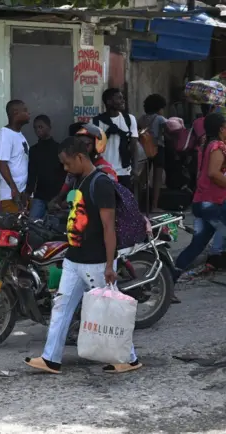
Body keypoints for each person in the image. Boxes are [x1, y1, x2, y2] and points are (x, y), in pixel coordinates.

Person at [24, 134, 142, 374]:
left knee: (108, 312)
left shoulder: (101, 183)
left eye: (68, 163)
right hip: (74, 258)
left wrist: (110, 265)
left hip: (96, 262)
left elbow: (109, 228)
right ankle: (51, 358)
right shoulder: (79, 181)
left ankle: (128, 358)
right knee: (61, 306)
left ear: (80, 157)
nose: (66, 168)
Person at [174, 113, 226, 281]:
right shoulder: (217, 146)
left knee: (196, 246)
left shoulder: (206, 144)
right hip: (212, 203)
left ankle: (168, 280)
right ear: (221, 129)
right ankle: (215, 260)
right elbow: (213, 173)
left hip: (202, 202)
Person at [48, 123, 117, 211]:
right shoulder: (76, 167)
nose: (81, 149)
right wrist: (57, 201)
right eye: (79, 145)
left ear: (97, 146)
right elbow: (68, 188)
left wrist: (64, 204)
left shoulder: (106, 171)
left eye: (86, 145)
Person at [93, 88, 140, 190]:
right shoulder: (96, 122)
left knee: (124, 204)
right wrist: (108, 133)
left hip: (124, 171)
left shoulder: (129, 119)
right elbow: (93, 148)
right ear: (109, 102)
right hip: (103, 170)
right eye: (119, 98)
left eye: (122, 98)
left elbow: (133, 145)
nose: (123, 101)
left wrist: (135, 169)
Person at [26, 115, 65, 219]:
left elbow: (66, 172)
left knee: (55, 226)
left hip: (56, 196)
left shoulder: (59, 148)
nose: (38, 130)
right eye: (35, 128)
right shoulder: (34, 150)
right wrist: (28, 192)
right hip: (40, 196)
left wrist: (62, 196)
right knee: (32, 225)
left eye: (41, 127)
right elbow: (32, 173)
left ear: (49, 127)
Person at [0, 100, 30, 212]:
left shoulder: (19, 134)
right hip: (11, 196)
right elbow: (1, 164)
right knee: (14, 228)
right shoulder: (5, 134)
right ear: (15, 112)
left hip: (21, 194)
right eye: (25, 110)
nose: (28, 113)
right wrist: (14, 190)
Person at [138, 94, 168, 213]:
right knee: (157, 178)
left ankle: (138, 203)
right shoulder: (160, 119)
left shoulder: (141, 118)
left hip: (144, 149)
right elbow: (166, 133)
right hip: (158, 148)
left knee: (142, 178)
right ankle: (154, 205)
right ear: (159, 108)